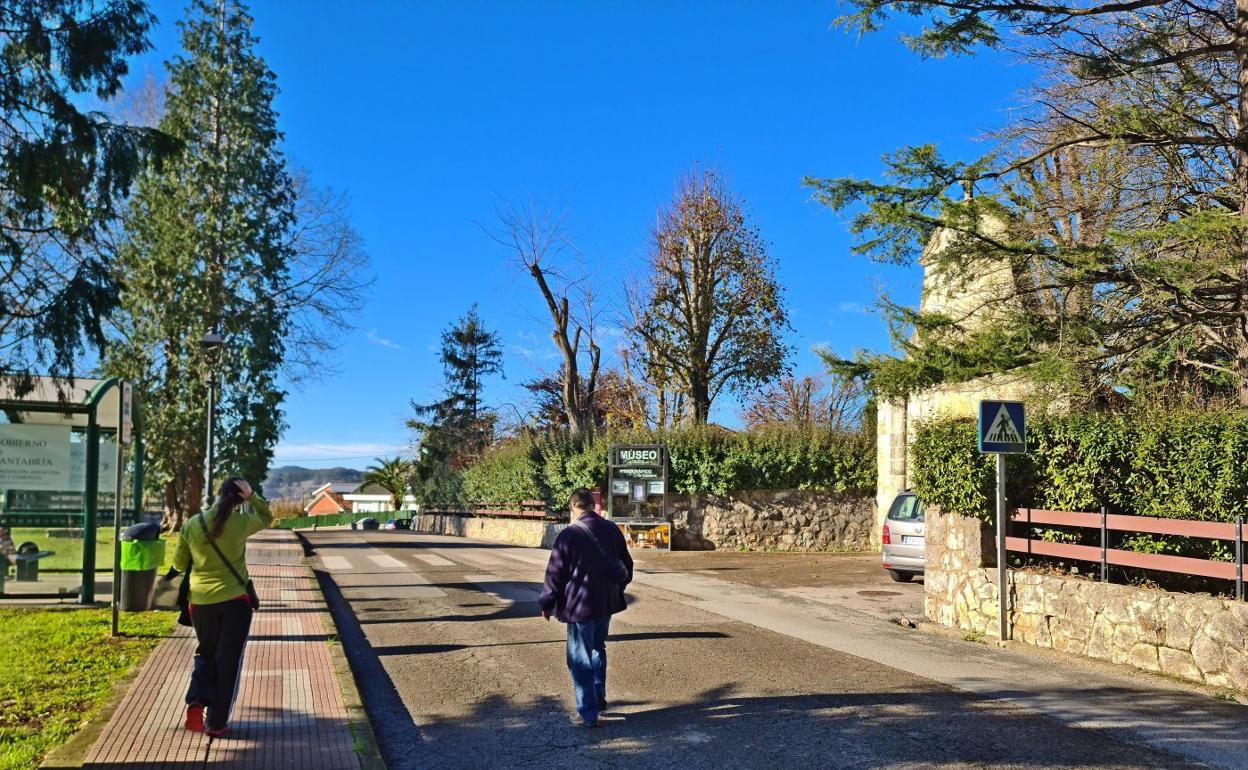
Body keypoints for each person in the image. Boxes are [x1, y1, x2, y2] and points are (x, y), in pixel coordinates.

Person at [171, 477, 273, 737]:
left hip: (201, 603)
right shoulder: (240, 522)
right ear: (239, 500)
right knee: (227, 662)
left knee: (206, 653)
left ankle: (196, 700)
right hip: (235, 602)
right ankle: (216, 723)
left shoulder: (192, 524)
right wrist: (253, 496)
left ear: (218, 495)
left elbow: (180, 564)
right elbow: (267, 517)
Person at [538, 487, 633, 728]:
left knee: (579, 657)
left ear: (572, 508)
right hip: (606, 602)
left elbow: (554, 575)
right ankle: (598, 696)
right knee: (597, 648)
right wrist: (616, 589)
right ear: (593, 505)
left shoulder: (568, 535)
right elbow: (627, 566)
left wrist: (547, 604)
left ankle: (588, 713)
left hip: (580, 606)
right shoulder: (612, 529)